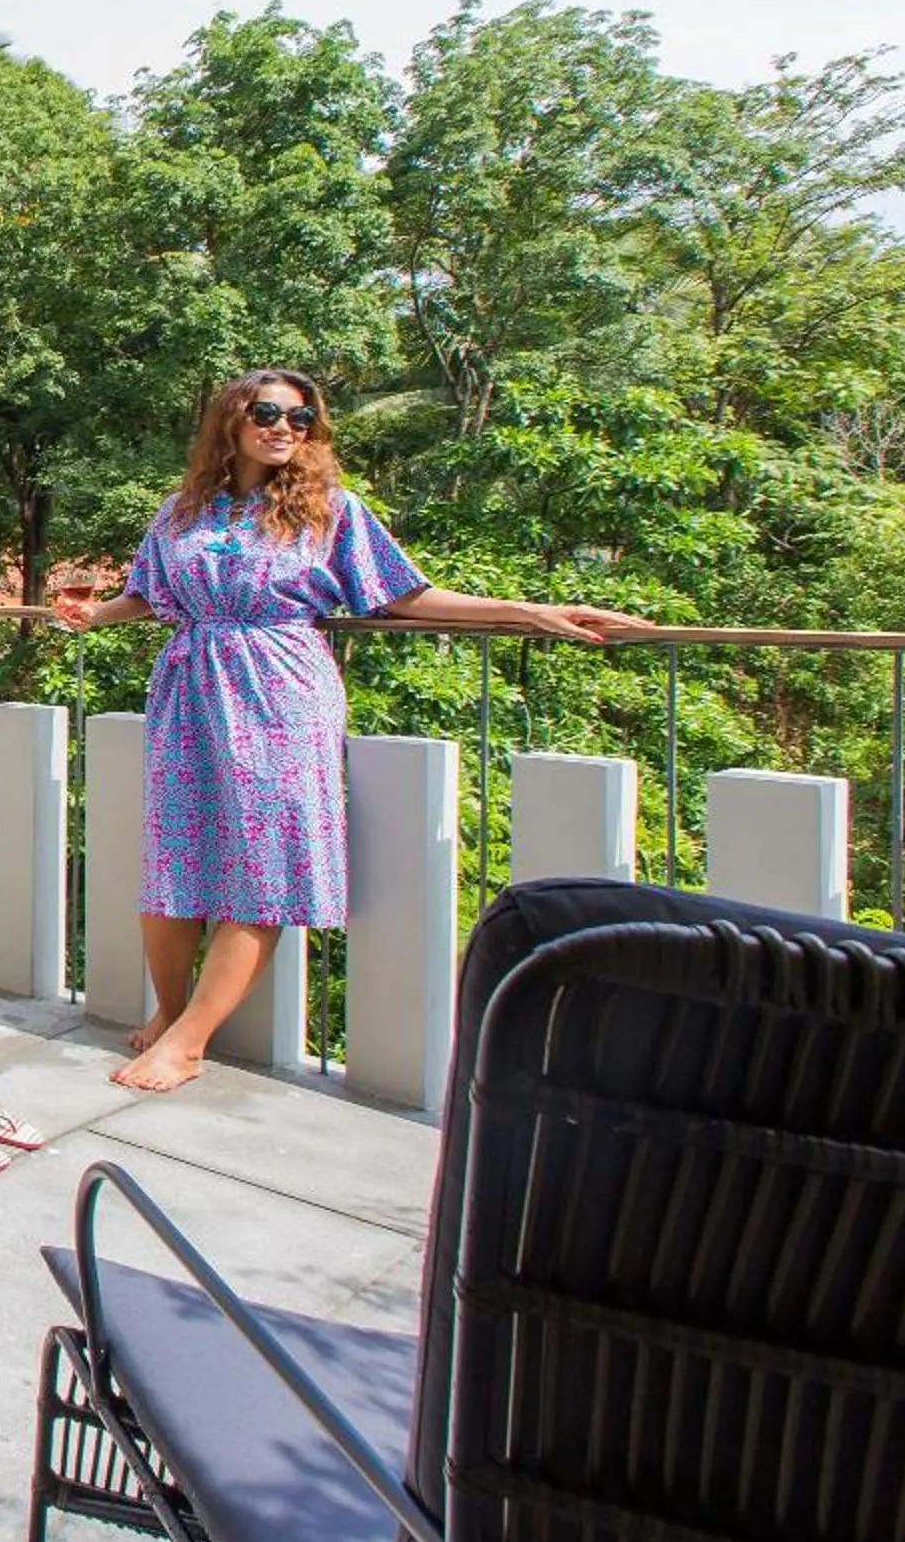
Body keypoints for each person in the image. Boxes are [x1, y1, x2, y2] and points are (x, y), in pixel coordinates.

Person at [59, 371, 642, 1092]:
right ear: (232, 420)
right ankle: (173, 1011)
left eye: (301, 418)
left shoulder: (329, 511)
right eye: (269, 412)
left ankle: (190, 1041)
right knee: (174, 856)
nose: (285, 427)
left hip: (280, 690)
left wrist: (531, 611)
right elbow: (150, 595)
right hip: (190, 688)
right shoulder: (183, 512)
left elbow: (406, 594)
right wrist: (94, 615)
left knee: (261, 865)